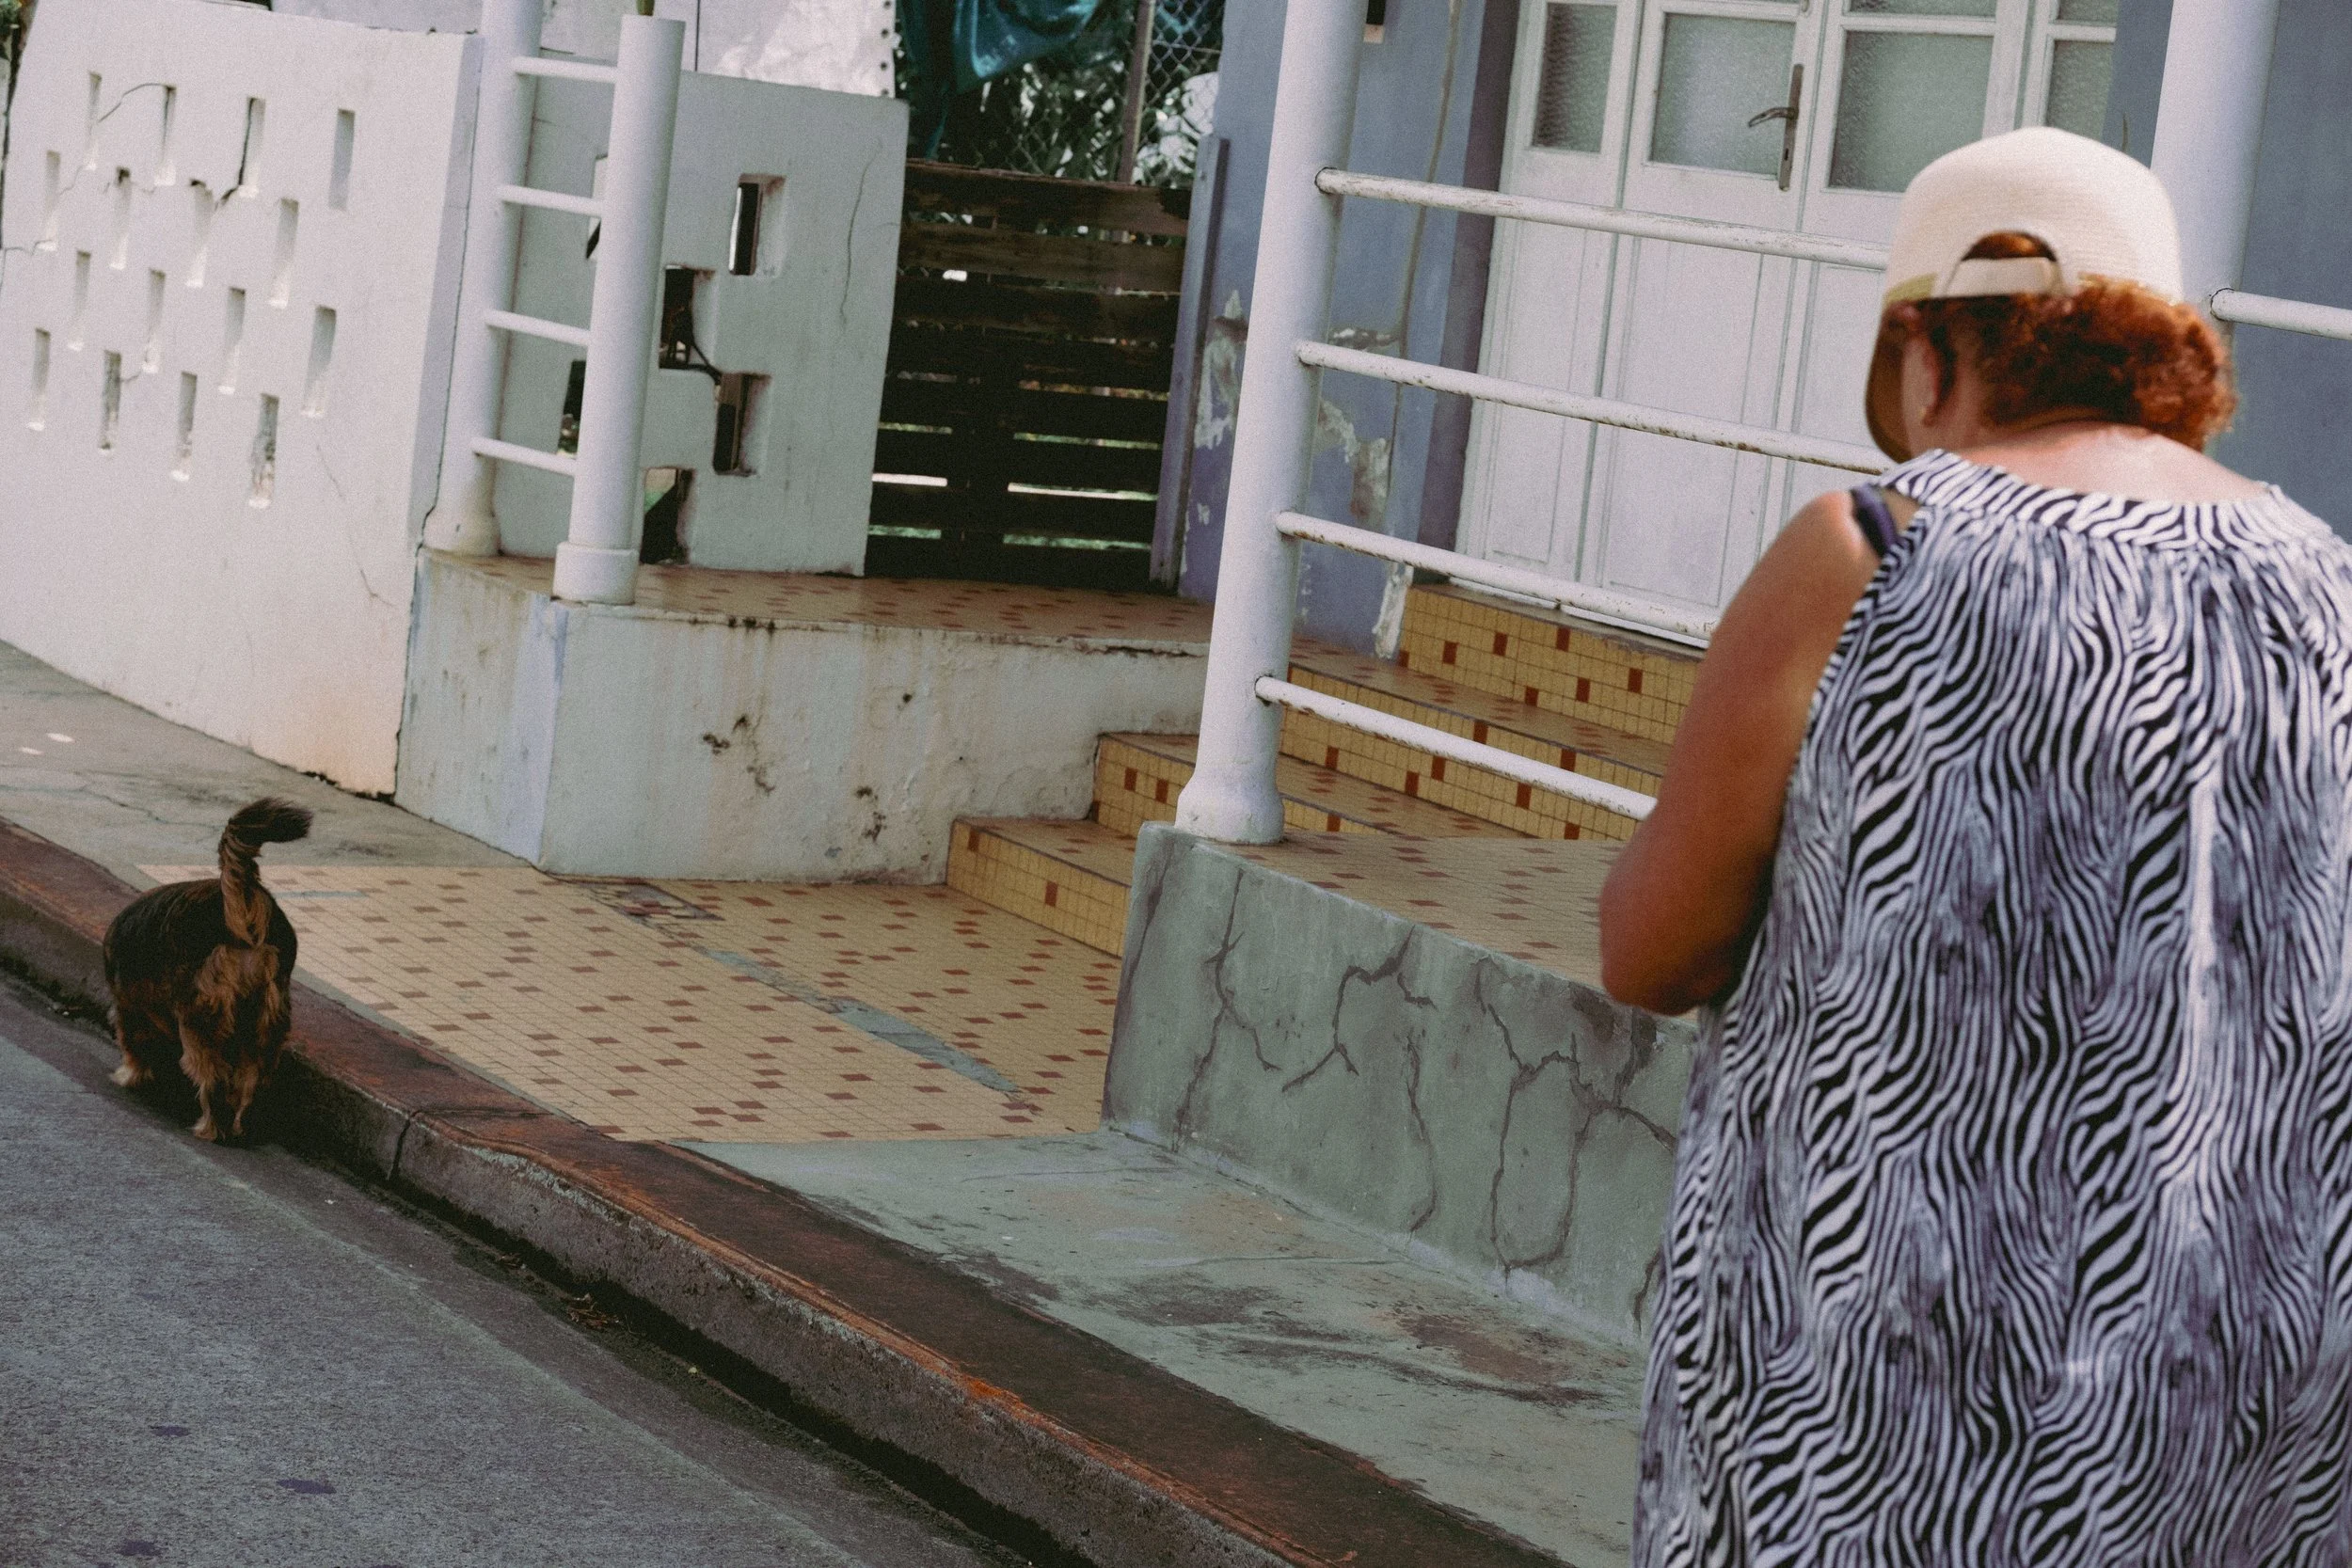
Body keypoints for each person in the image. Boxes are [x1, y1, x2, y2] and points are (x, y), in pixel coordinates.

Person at [1600, 126, 2352, 1563]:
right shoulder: (2329, 589)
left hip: (1885, 1412)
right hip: (2244, 1410)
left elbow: (1655, 948)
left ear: (1928, 349)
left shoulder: (1871, 548)